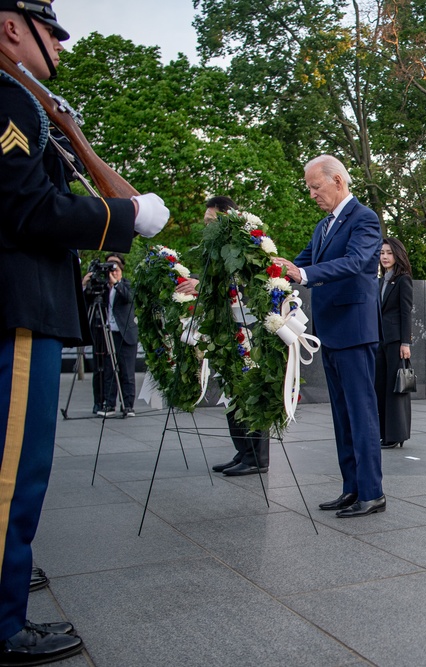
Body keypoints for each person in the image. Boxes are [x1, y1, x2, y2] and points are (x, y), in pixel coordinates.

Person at [0, 1, 169, 662]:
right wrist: (123, 213)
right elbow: (29, 210)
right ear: (12, 26)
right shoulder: (11, 103)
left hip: (27, 303)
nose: (61, 49)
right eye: (52, 34)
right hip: (20, 305)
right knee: (15, 472)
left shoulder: (27, 104)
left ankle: (12, 578)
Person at [273, 155, 385, 518]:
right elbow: (297, 263)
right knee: (342, 415)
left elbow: (355, 262)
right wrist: (267, 265)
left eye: (315, 186)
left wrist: (303, 275)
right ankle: (351, 488)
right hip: (331, 332)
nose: (311, 194)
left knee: (361, 413)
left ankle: (372, 493)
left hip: (353, 330)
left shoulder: (364, 219)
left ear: (337, 181)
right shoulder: (324, 226)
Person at [183, 197, 271, 477]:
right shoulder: (216, 247)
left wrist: (203, 285)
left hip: (248, 326)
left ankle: (257, 457)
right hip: (227, 327)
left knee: (248, 390)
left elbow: (250, 280)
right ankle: (243, 451)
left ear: (228, 216)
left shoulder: (247, 241)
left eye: (212, 220)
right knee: (232, 391)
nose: (207, 225)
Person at [83, 254, 138, 417]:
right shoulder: (101, 287)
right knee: (108, 370)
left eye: (115, 267)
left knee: (127, 372)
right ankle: (109, 403)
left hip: (125, 335)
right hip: (106, 333)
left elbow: (128, 298)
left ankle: (128, 405)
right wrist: (85, 285)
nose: (112, 271)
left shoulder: (127, 285)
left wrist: (116, 284)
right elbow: (86, 303)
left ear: (122, 269)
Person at [376, 237, 413, 449]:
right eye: (382, 253)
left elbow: (406, 312)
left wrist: (405, 343)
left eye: (389, 253)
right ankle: (383, 433)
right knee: (380, 387)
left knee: (395, 388)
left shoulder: (403, 280)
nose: (385, 257)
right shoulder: (381, 280)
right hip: (380, 341)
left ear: (397, 254)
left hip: (396, 342)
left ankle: (395, 435)